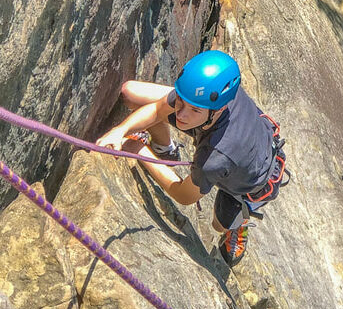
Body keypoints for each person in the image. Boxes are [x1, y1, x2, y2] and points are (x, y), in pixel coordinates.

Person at [96, 50, 286, 266]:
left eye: (193, 109)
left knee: (218, 225)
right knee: (131, 93)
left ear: (219, 108)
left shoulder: (214, 159)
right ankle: (165, 148)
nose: (180, 115)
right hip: (232, 132)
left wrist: (140, 150)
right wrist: (120, 131)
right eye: (180, 101)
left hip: (252, 181)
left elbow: (184, 195)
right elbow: (159, 110)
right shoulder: (215, 92)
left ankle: (237, 224)